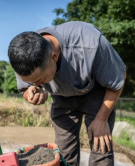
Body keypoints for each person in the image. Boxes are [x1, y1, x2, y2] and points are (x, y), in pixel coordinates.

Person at [8, 21, 126, 166]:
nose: (37, 85)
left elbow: (118, 79)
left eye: (39, 80)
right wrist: (30, 92)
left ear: (54, 57)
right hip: (61, 97)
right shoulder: (22, 54)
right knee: (63, 153)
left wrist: (101, 119)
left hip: (95, 91)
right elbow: (26, 88)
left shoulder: (90, 43)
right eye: (32, 82)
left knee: (101, 146)